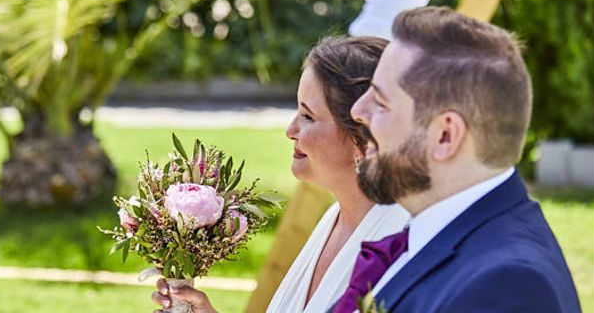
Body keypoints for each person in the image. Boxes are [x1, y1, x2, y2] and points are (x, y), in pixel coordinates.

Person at [331, 6, 581, 313]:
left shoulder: (506, 287)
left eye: (380, 103)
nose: (358, 110)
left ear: (445, 136)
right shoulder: (445, 231)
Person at [151, 36, 409, 313]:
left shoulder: (397, 244)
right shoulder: (333, 219)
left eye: (308, 116)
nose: (290, 130)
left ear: (362, 137)